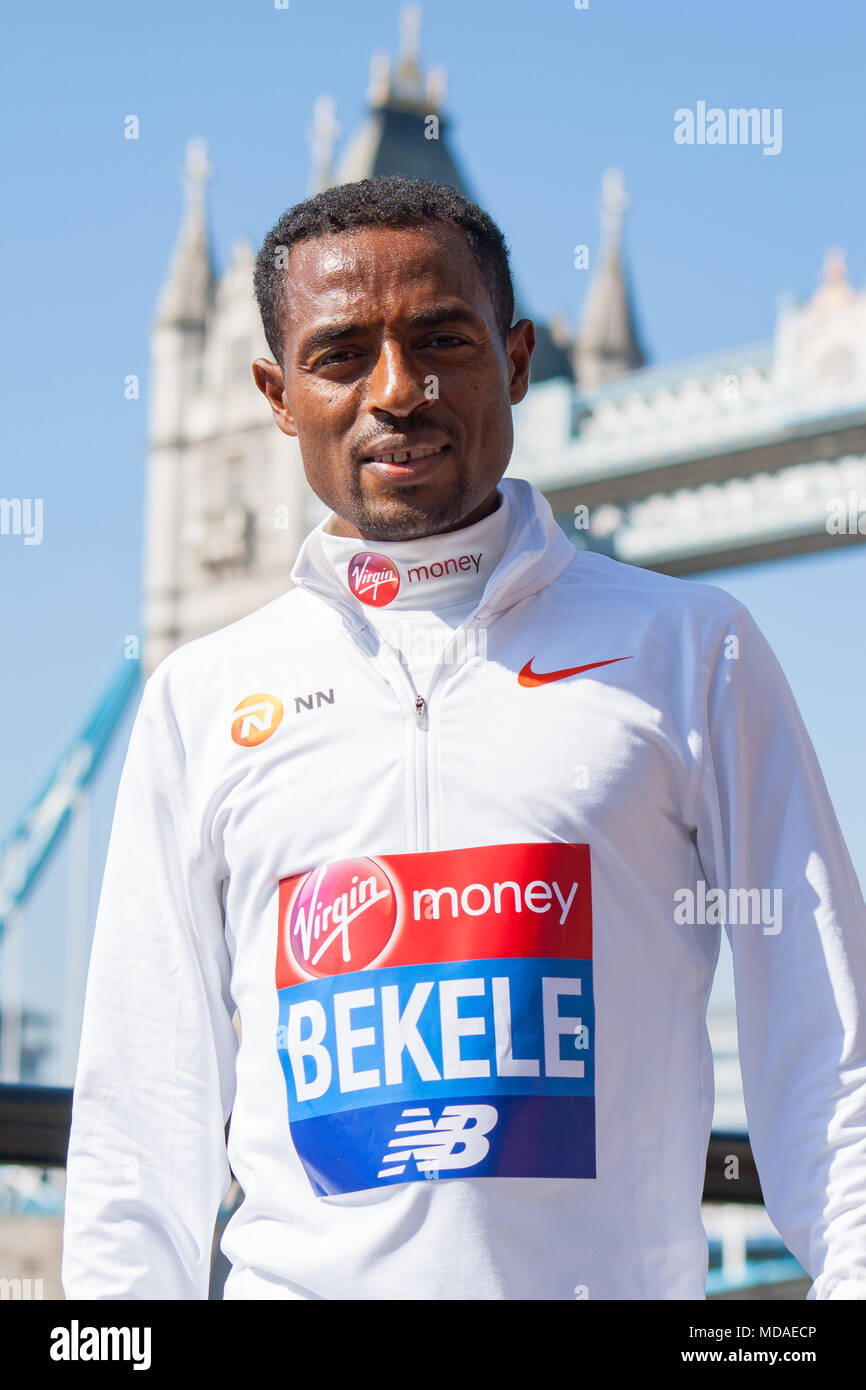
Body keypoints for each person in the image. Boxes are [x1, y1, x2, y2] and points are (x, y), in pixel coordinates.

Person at [62, 175, 866, 1301]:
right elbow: (140, 1123)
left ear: (520, 360)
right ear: (276, 395)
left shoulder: (696, 650)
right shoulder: (200, 697)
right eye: (340, 356)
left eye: (441, 339)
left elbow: (829, 1052)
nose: (399, 390)